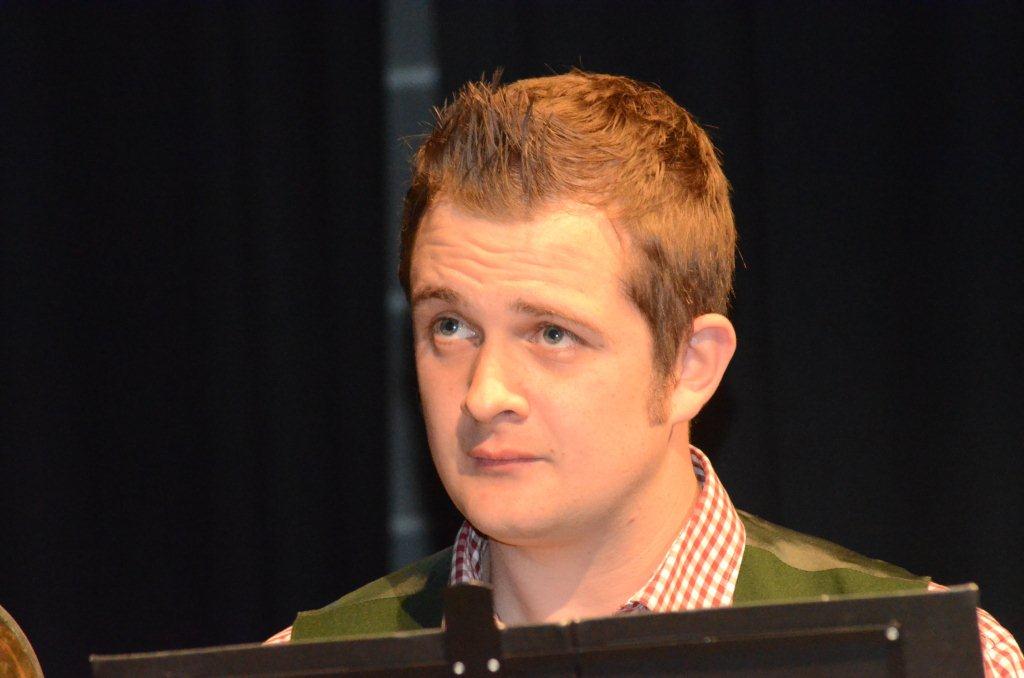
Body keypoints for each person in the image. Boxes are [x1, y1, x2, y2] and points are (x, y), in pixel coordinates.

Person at [265, 70, 1022, 675]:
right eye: (451, 327)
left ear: (691, 366)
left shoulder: (931, 659)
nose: (485, 394)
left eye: (552, 333)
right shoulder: (303, 666)